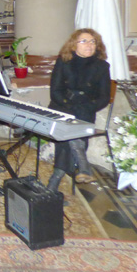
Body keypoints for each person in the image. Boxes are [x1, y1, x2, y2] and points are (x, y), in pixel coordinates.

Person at [46, 28, 111, 192]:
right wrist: (69, 105)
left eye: (93, 42)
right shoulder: (63, 61)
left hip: (85, 108)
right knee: (69, 125)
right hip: (62, 105)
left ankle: (55, 179)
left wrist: (87, 107)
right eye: (84, 41)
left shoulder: (102, 66)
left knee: (69, 130)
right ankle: (82, 166)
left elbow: (104, 97)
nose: (89, 45)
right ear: (74, 45)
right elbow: (55, 92)